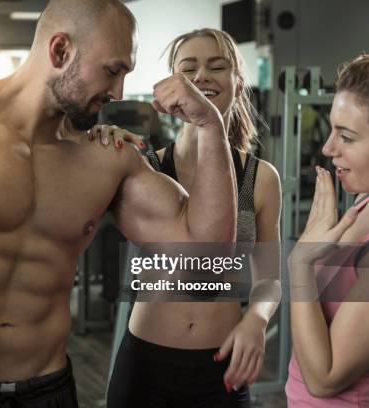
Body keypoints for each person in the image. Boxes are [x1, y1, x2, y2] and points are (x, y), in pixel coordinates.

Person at [0, 1, 237, 407]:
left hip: (49, 392)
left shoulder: (106, 156)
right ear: (60, 51)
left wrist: (210, 127)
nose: (117, 93)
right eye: (112, 70)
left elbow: (205, 259)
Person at [99, 28, 282, 408]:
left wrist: (257, 321)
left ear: (237, 81)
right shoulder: (142, 168)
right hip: (146, 363)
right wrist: (99, 146)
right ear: (171, 83)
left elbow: (270, 279)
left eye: (217, 67)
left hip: (220, 367)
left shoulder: (259, 178)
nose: (202, 77)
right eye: (189, 69)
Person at [286, 53, 369, 407]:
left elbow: (325, 378)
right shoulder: (361, 206)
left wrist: (300, 264)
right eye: (332, 130)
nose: (327, 148)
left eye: (346, 137)